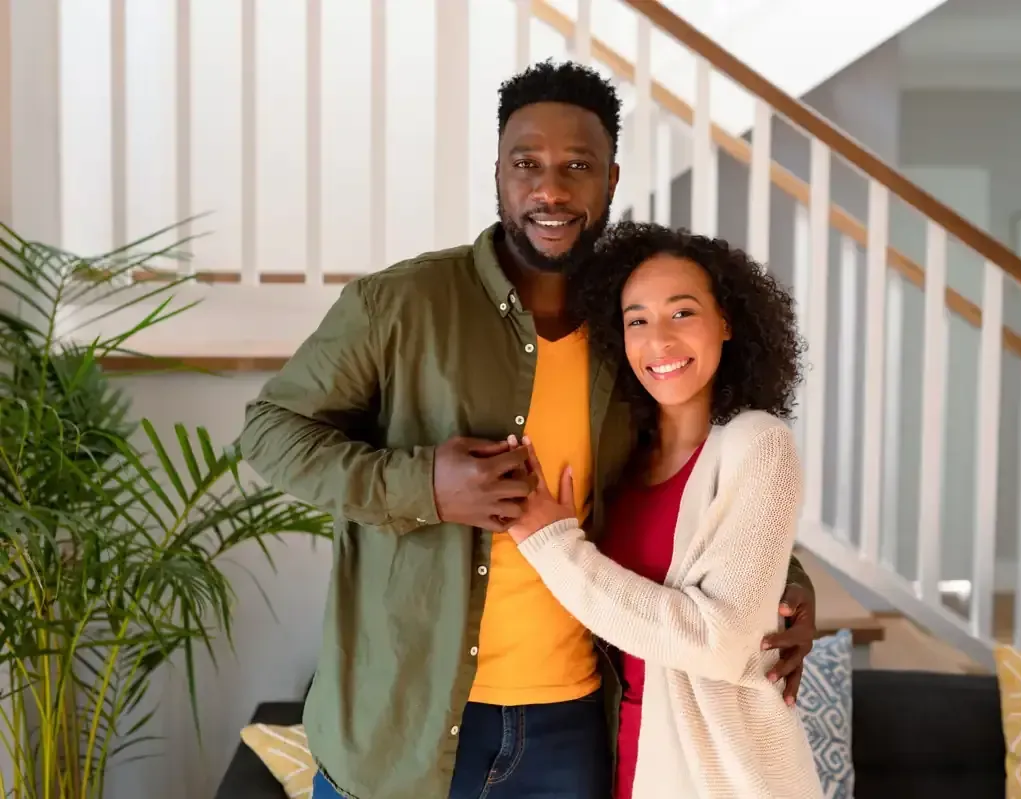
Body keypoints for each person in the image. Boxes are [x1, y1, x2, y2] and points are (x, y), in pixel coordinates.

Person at [238, 60, 817, 799]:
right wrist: (427, 486)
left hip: (571, 730)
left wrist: (784, 585)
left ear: (611, 180)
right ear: (499, 175)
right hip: (405, 727)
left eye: (578, 165)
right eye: (527, 165)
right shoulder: (403, 303)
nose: (551, 189)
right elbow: (270, 431)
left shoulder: (628, 328)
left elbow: (683, 483)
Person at [507, 221, 821, 799]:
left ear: (725, 321)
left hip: (723, 773)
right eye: (637, 321)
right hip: (623, 751)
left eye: (682, 313)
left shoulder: (758, 443)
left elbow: (720, 642)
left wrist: (551, 544)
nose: (660, 341)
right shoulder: (625, 460)